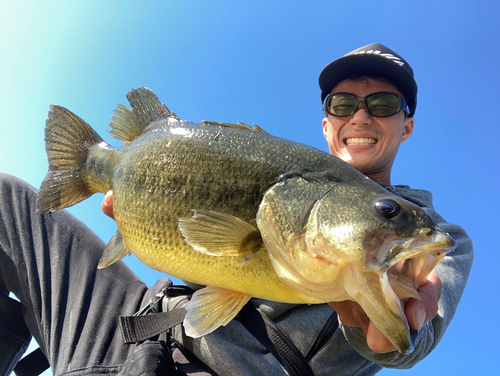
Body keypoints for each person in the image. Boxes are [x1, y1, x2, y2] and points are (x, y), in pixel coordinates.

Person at [0, 43, 473, 375]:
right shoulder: (290, 175)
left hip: (207, 367)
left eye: (384, 103)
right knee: (6, 199)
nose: (362, 115)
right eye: (344, 102)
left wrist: (398, 335)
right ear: (327, 125)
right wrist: (146, 211)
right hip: (137, 320)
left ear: (407, 125)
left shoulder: (437, 237)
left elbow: (412, 340)